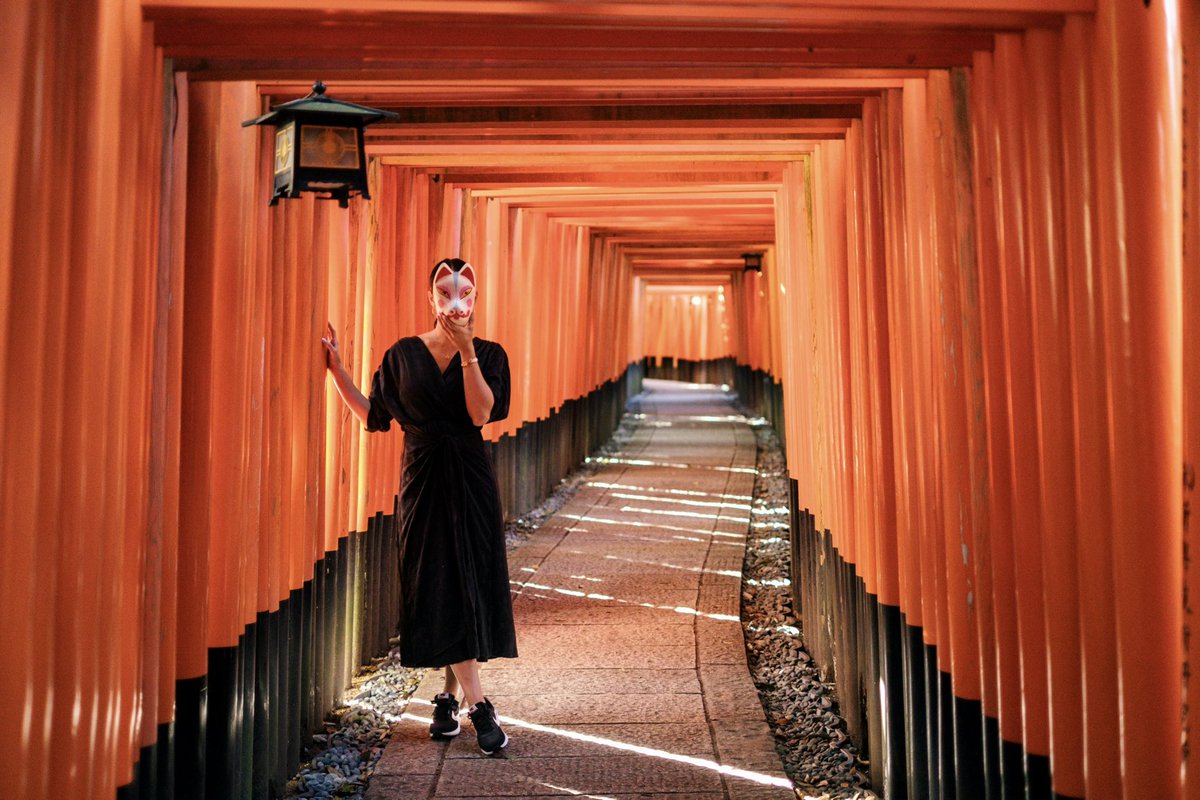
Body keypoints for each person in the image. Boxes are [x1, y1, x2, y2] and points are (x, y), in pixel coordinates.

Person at [321, 257, 517, 755]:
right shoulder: (403, 355)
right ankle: (469, 706)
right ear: (429, 298)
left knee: (465, 580)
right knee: (436, 582)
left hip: (471, 478)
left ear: (476, 298)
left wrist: (468, 352)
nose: (456, 301)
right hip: (422, 480)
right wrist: (338, 371)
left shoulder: (491, 354)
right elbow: (375, 415)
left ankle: (464, 705)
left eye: (466, 292)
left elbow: (480, 412)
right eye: (445, 292)